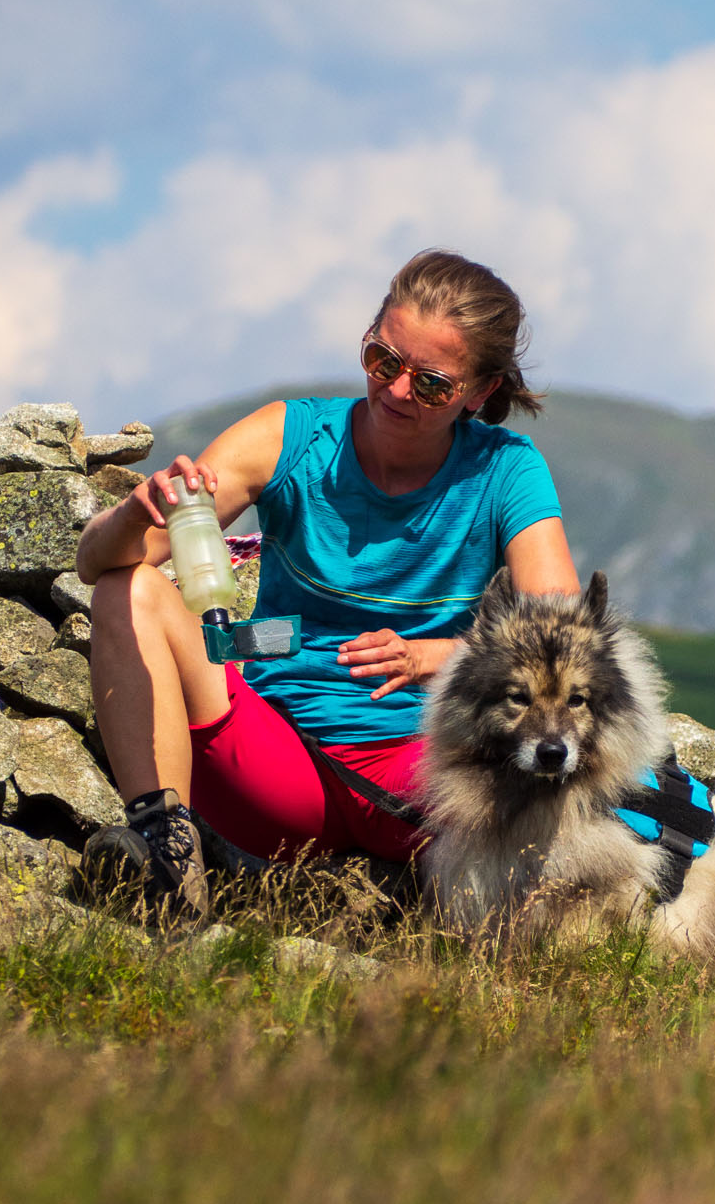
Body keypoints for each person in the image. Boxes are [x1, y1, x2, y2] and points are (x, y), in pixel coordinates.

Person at [77, 249, 579, 916]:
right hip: (273, 760)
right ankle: (169, 859)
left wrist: (443, 657)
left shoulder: (507, 469)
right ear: (369, 338)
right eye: (383, 361)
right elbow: (96, 564)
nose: (397, 391)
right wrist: (136, 513)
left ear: (481, 393)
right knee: (125, 587)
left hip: (425, 780)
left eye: (431, 385)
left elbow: (560, 642)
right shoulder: (290, 435)